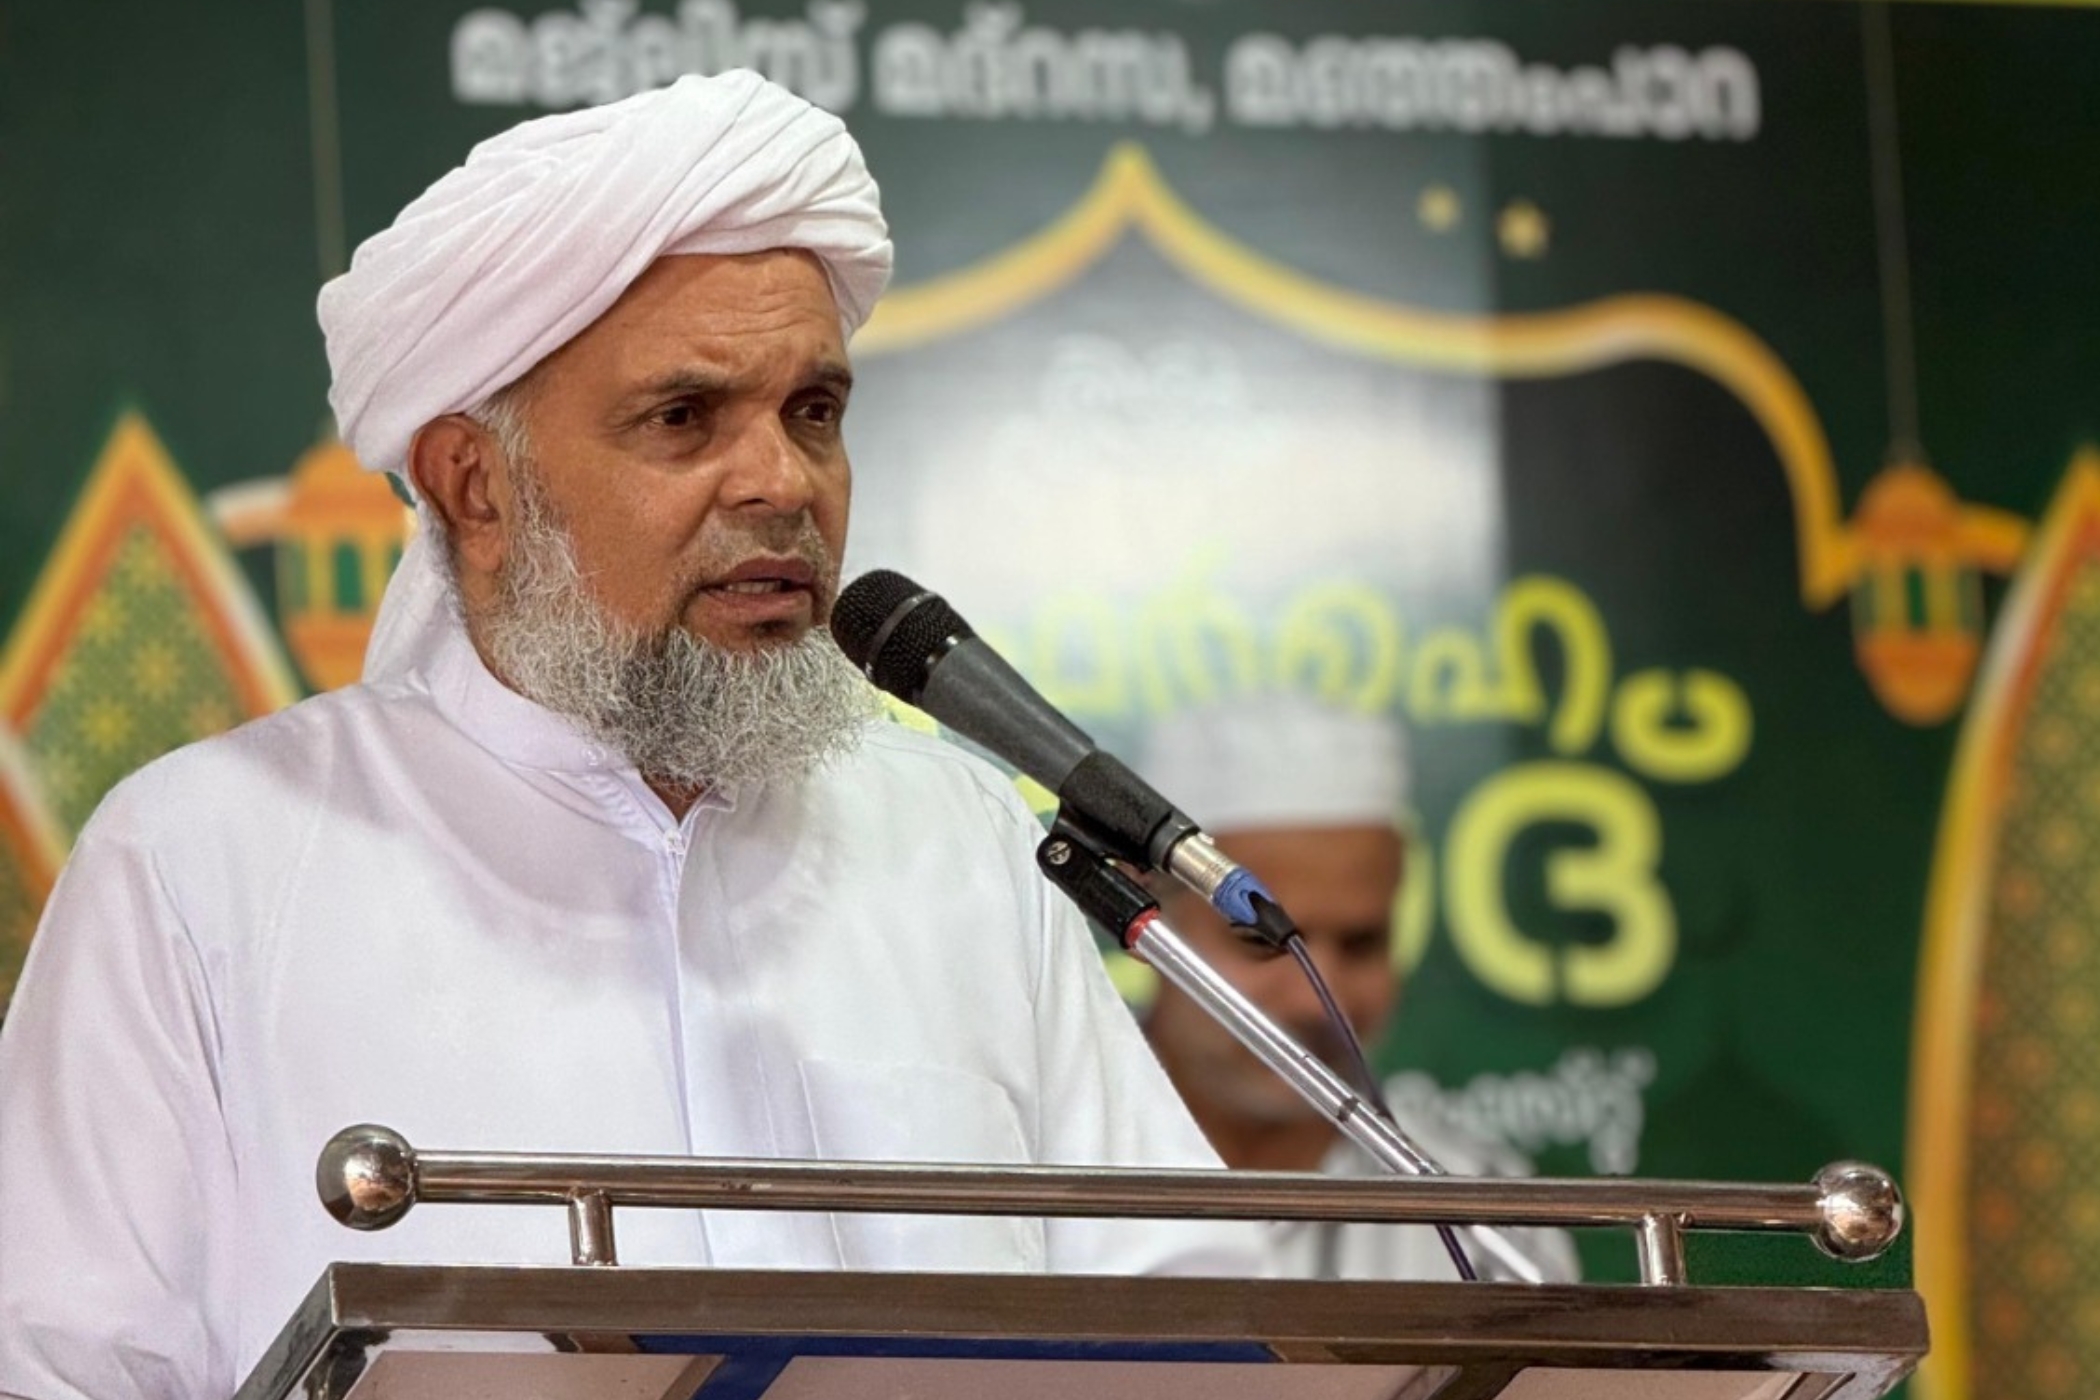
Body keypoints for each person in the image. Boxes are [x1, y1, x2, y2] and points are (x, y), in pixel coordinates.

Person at [0, 73, 1257, 1400]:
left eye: (814, 412)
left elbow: (1188, 1338)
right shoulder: (206, 863)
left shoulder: (963, 840)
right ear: (476, 487)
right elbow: (54, 1368)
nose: (781, 481)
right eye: (684, 419)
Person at [1137, 694, 1580, 1282]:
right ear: (1145, 920)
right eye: (1260, 943)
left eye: (1362, 943)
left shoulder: (1490, 1228)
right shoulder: (1042, 1170)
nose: (1319, 1000)